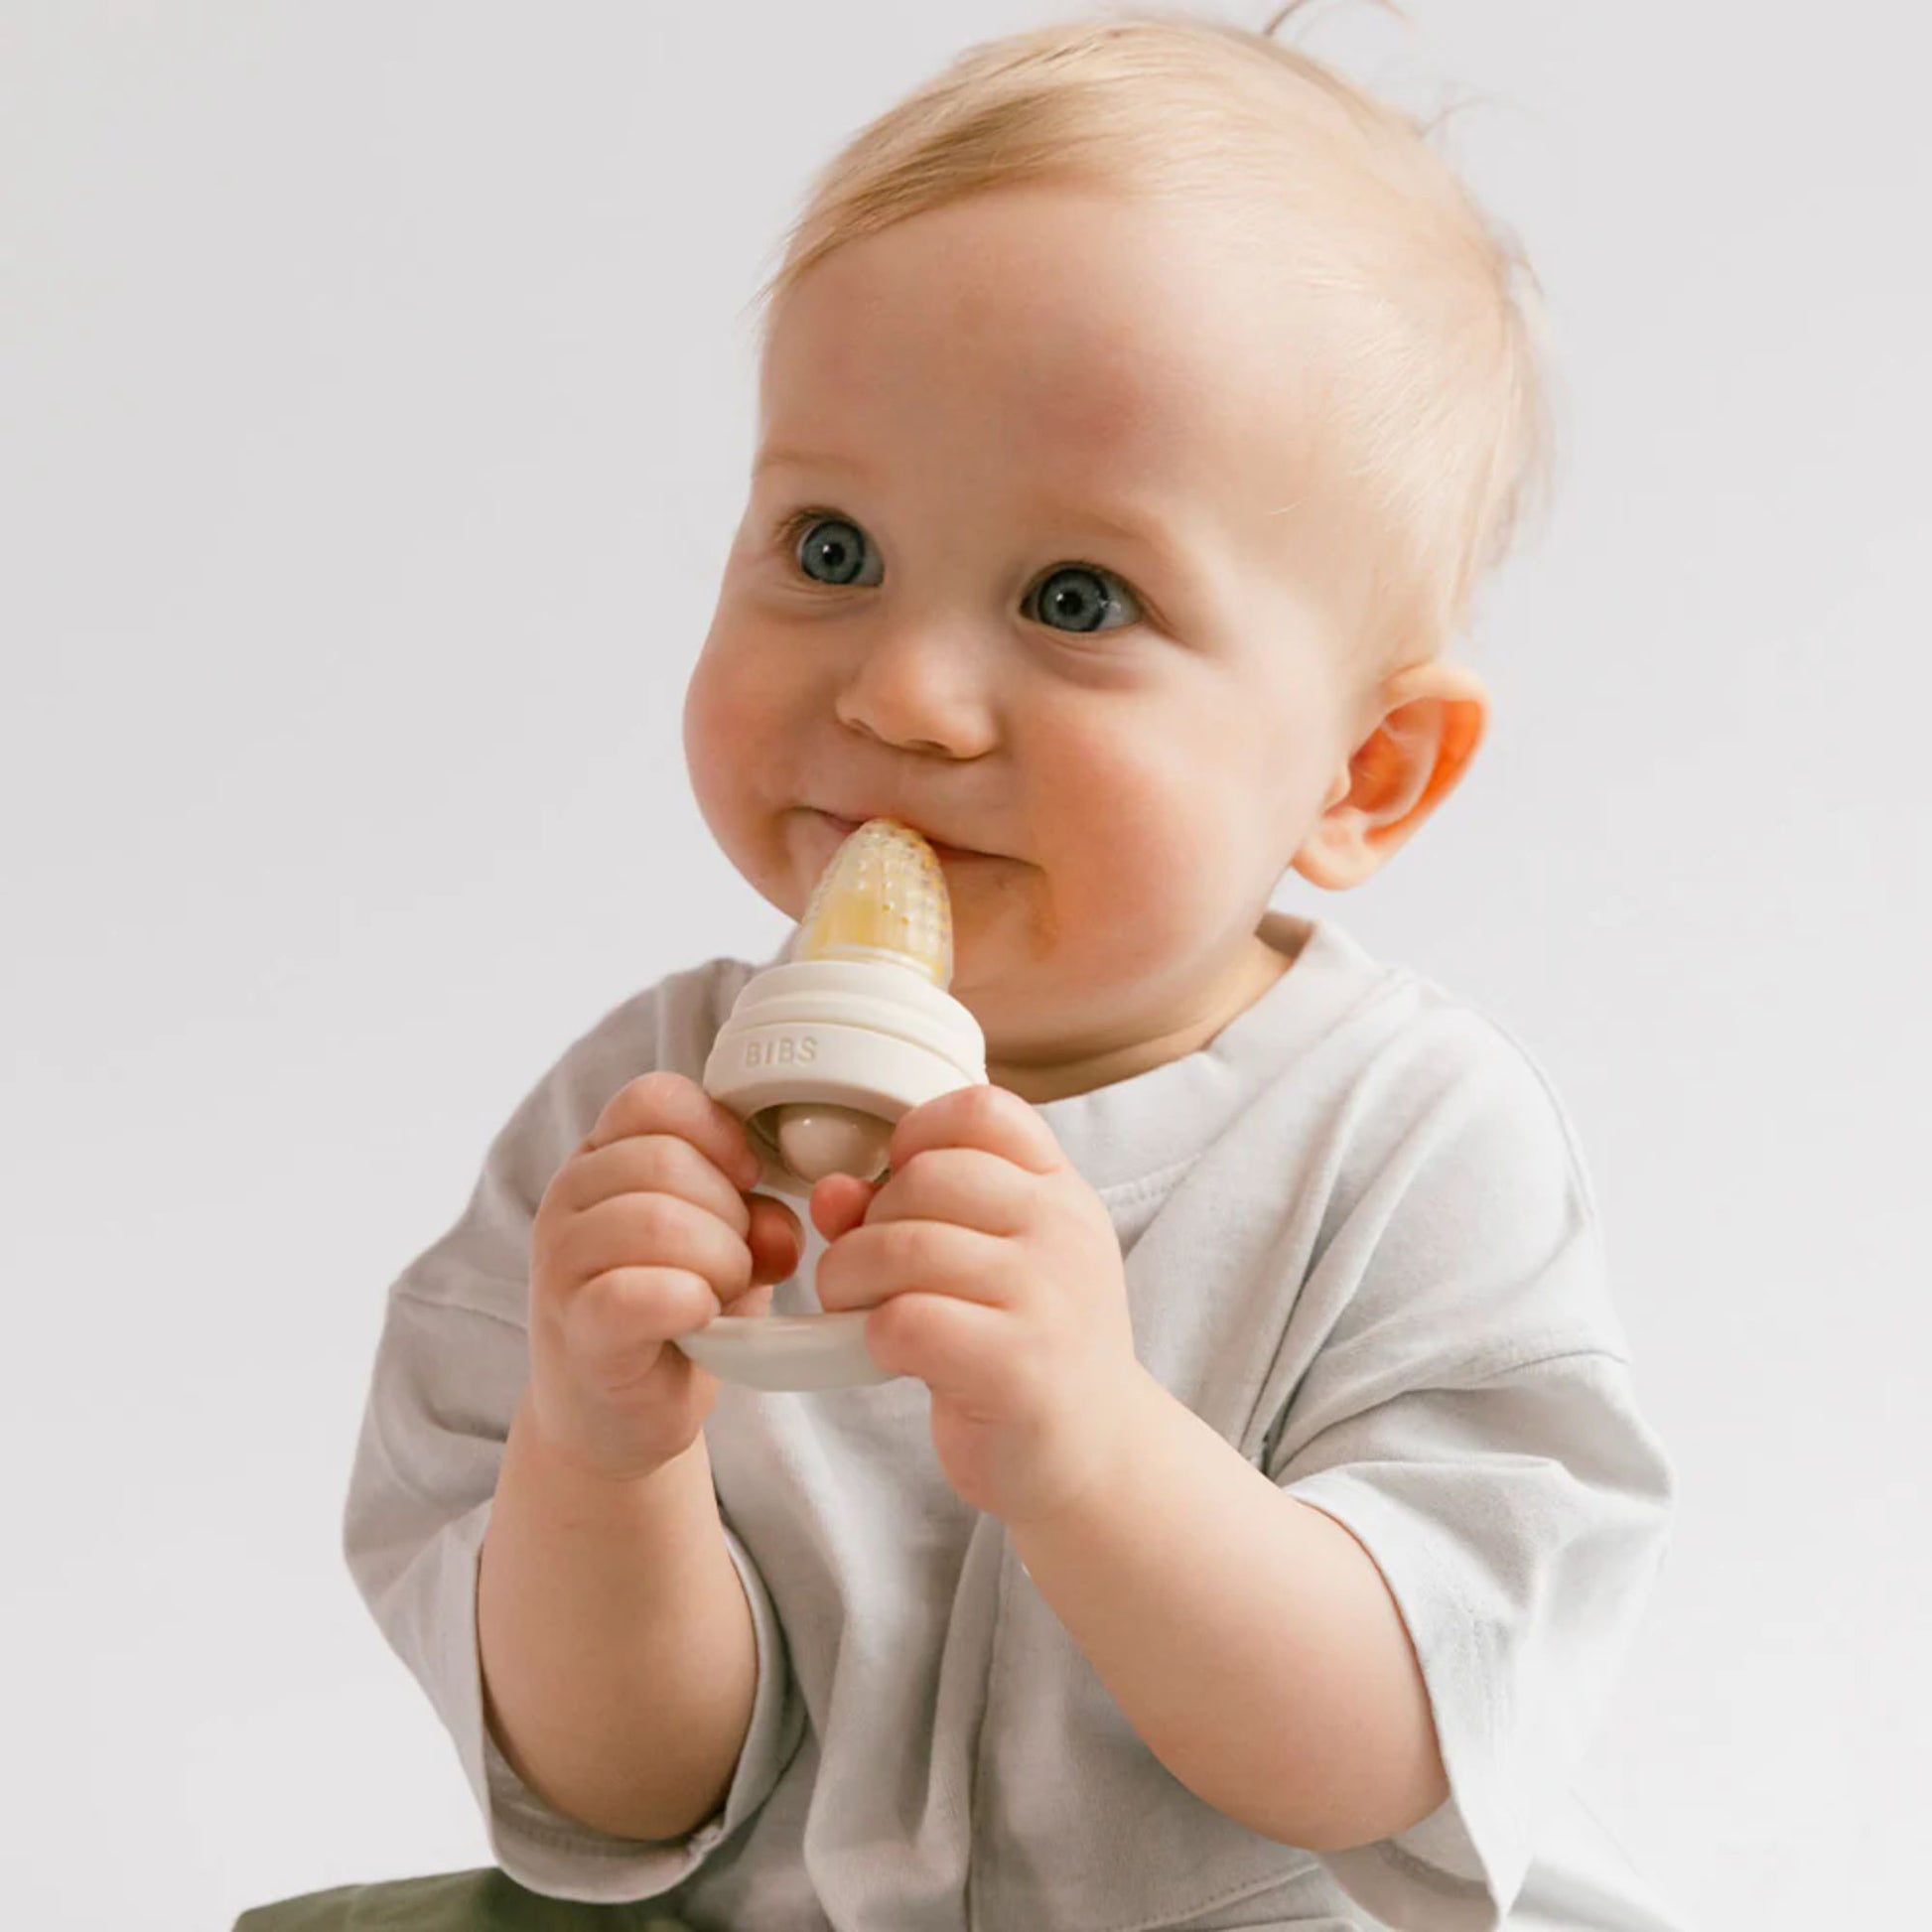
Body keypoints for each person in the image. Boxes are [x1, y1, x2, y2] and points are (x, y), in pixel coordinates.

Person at [325, 10, 1692, 1930]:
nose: (898, 691)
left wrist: (1091, 1447)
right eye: (830, 544)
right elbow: (617, 1796)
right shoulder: (633, 1119)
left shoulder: (1407, 1142)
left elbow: (1392, 1745)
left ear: (1362, 772)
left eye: (1075, 599)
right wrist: (600, 1454)